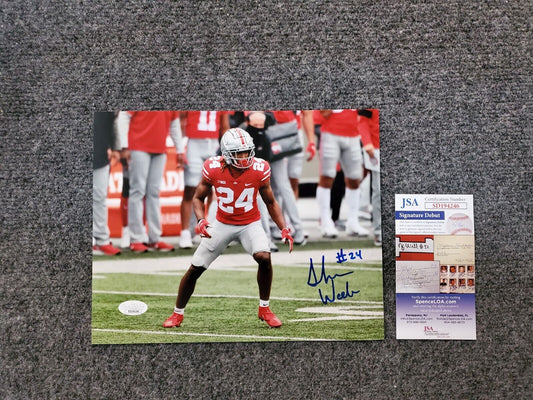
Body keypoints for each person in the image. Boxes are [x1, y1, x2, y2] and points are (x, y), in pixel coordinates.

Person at [163, 128, 294, 329]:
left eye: (247, 152)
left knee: (264, 257)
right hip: (222, 224)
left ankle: (265, 308)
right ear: (226, 154)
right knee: (195, 268)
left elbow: (270, 201)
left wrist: (283, 228)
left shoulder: (260, 168)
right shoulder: (213, 168)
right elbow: (198, 198)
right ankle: (177, 314)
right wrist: (201, 220)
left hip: (250, 223)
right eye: (239, 153)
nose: (244, 157)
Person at [117, 111, 184, 252]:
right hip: (138, 147)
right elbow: (123, 116)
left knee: (153, 193)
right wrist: (124, 146)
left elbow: (174, 123)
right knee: (137, 191)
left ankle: (155, 238)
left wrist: (180, 150)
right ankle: (136, 239)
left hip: (159, 149)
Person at [178, 111, 229, 249]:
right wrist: (180, 147)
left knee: (213, 190)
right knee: (190, 188)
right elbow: (180, 121)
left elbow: (224, 127)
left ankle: (209, 229)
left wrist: (226, 149)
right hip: (193, 143)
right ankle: (185, 232)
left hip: (213, 144)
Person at [316, 109, 369, 238]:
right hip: (330, 133)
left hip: (353, 134)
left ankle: (352, 222)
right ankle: (325, 221)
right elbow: (322, 113)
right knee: (327, 177)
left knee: (354, 179)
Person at [93, 112, 121, 256]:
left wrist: (115, 147)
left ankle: (102, 240)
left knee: (100, 198)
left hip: (101, 153)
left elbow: (112, 120)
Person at [358, 109, 381, 246]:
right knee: (379, 191)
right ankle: (379, 231)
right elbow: (362, 121)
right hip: (376, 146)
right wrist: (367, 142)